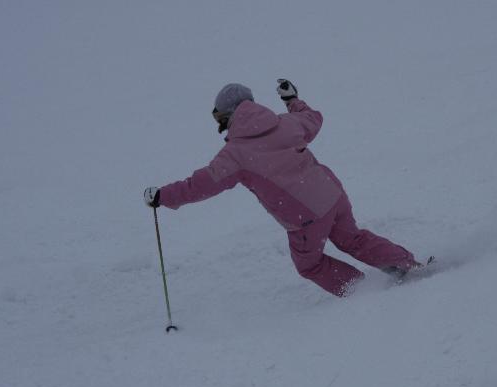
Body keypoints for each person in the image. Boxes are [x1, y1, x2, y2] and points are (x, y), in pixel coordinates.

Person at [144, 80, 421, 296]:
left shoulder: (236, 154)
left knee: (310, 264)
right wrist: (292, 100)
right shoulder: (286, 124)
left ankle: (362, 292)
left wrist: (162, 196)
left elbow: (199, 185)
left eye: (219, 119)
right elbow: (313, 118)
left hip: (306, 216)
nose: (220, 126)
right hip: (332, 195)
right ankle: (407, 265)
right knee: (353, 239)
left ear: (228, 116)